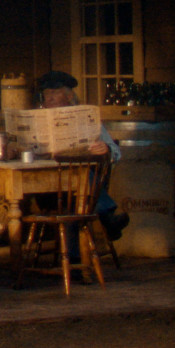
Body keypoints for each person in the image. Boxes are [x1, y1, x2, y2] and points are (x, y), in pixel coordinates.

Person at [33, 70, 128, 246]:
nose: (49, 98)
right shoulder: (36, 121)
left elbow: (116, 152)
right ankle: (107, 216)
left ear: (69, 96)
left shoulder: (87, 120)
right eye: (46, 94)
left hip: (78, 192)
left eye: (55, 93)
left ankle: (74, 262)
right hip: (47, 190)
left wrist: (105, 149)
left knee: (75, 199)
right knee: (75, 199)